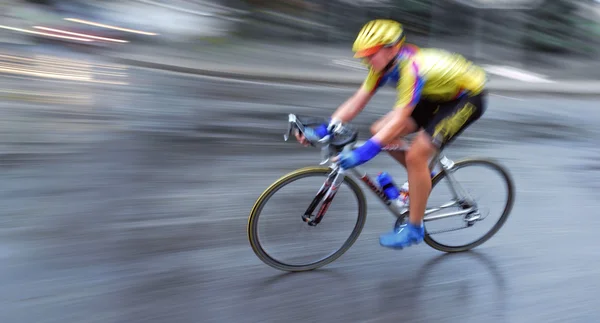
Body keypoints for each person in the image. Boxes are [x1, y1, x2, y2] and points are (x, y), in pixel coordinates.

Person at [294, 19, 488, 249]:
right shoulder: (380, 66)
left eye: (370, 54)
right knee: (378, 130)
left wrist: (365, 152)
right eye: (363, 55)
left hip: (467, 97)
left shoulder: (411, 67)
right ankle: (419, 178)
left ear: (391, 49)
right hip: (435, 94)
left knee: (416, 153)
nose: (366, 60)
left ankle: (415, 229)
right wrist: (325, 128)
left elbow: (399, 118)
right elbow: (358, 100)